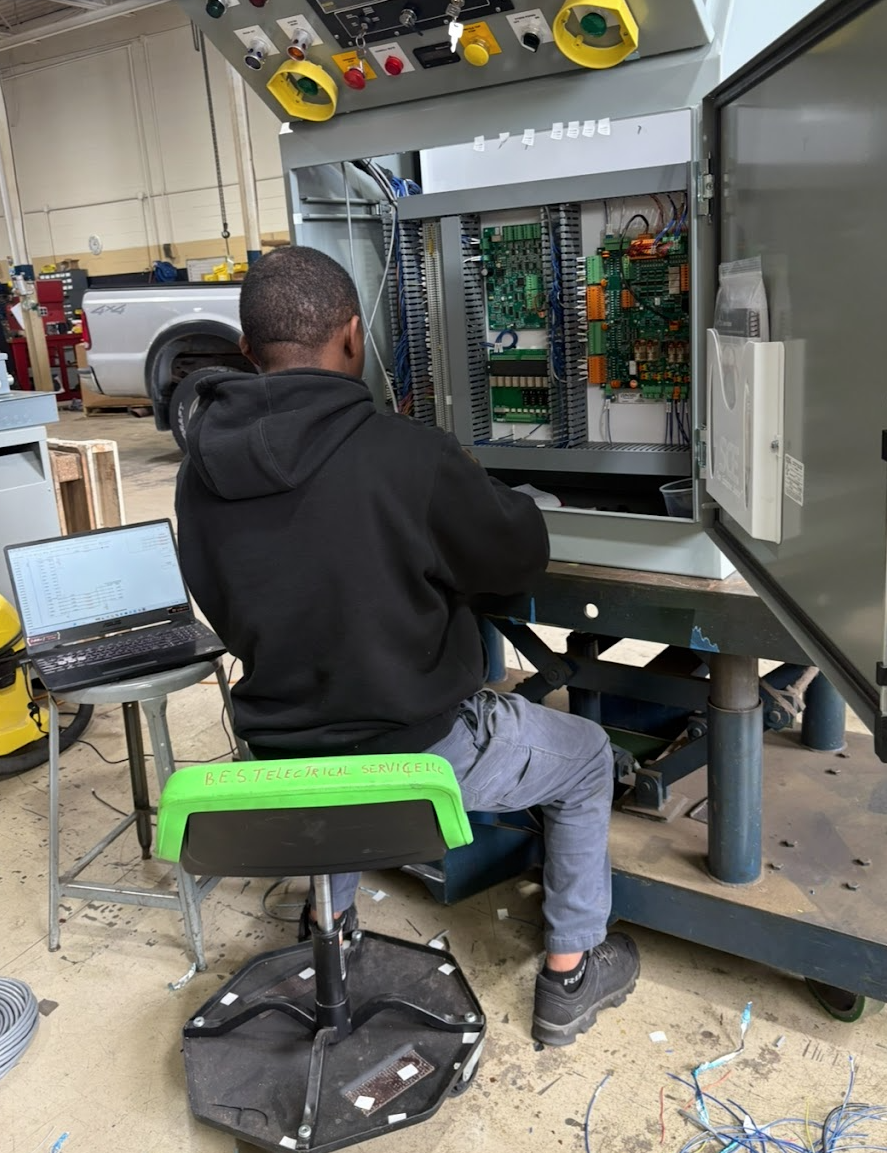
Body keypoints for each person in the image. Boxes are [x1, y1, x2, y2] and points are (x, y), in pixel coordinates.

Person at [175, 245, 639, 1047]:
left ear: (248, 351)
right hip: (421, 757)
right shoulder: (407, 455)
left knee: (326, 750)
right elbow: (515, 554)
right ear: (353, 337)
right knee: (589, 756)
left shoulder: (199, 471)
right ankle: (571, 972)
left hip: (279, 753)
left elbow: (224, 598)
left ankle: (336, 925)